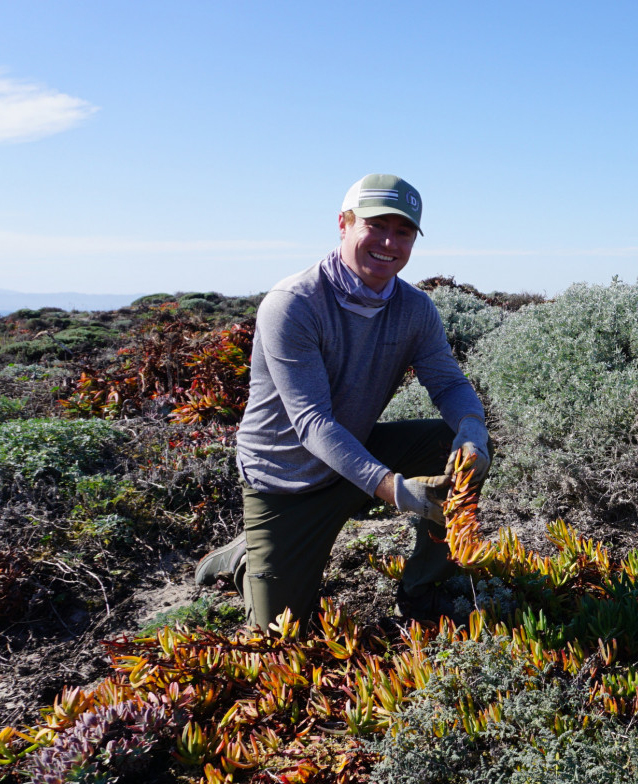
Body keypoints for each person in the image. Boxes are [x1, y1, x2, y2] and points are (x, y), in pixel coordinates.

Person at [194, 173, 491, 629]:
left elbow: (448, 384)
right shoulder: (293, 303)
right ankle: (246, 555)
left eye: (403, 231)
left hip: (354, 456)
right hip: (285, 482)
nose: (389, 242)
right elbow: (312, 422)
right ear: (343, 223)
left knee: (451, 444)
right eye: (376, 226)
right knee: (281, 634)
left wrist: (472, 429)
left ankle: (421, 589)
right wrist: (397, 490)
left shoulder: (414, 308)